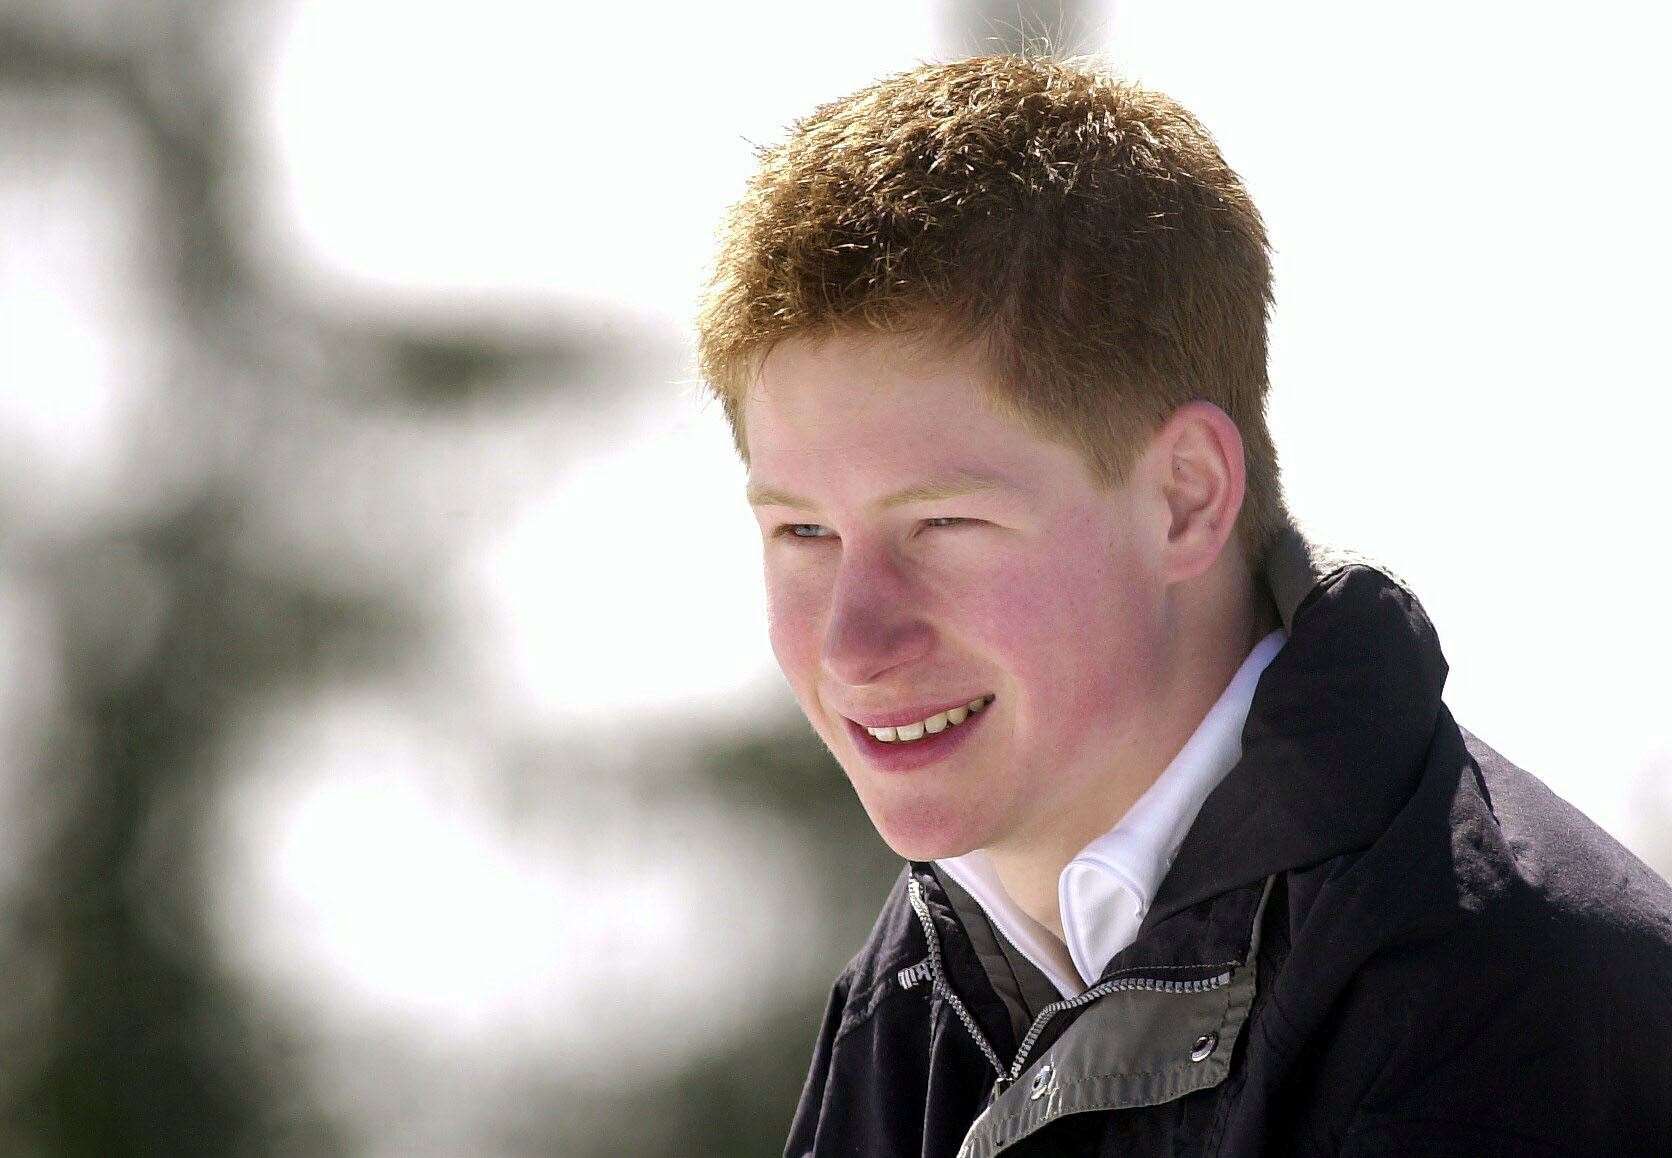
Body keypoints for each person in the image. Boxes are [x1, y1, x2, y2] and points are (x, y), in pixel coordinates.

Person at [694, 52, 1672, 1157]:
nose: (852, 643)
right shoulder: (915, 997)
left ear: (1183, 498)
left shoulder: (1502, 1013)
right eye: (803, 535)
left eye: (943, 526)